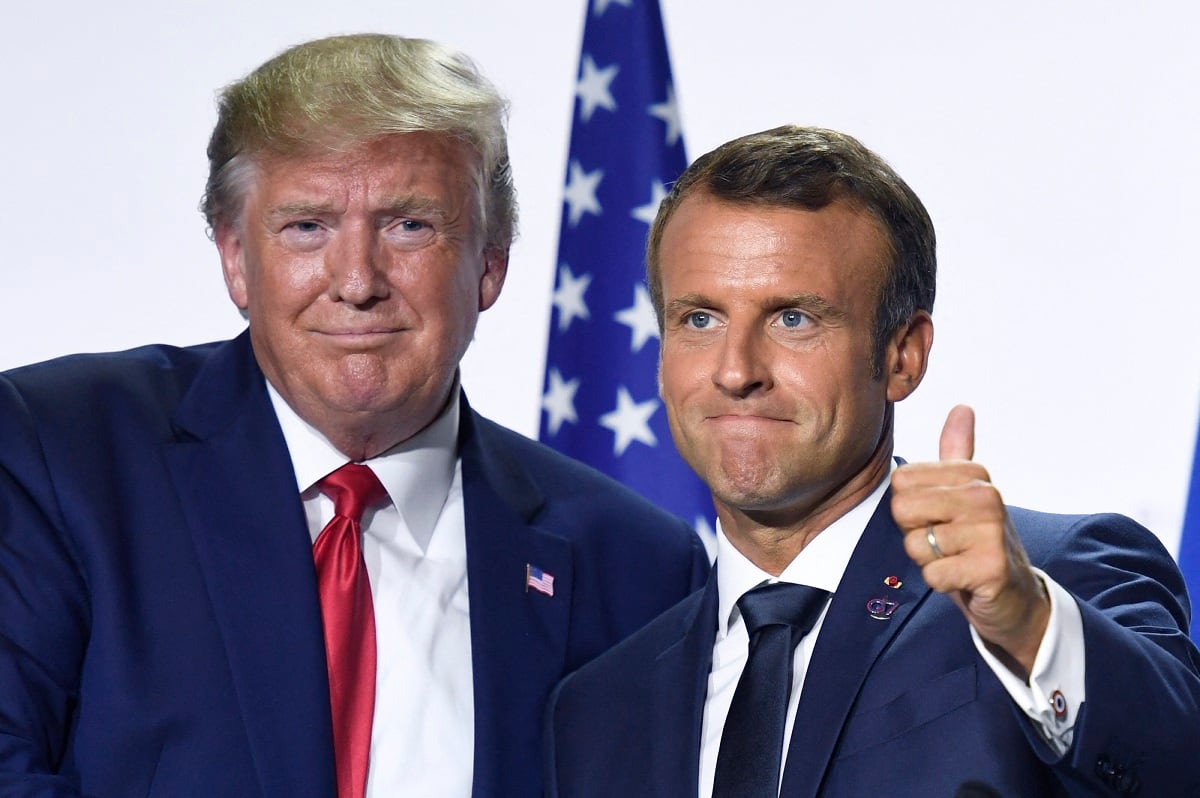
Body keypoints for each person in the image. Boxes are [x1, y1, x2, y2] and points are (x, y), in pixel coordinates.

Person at [0, 34, 709, 798]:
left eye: (410, 225)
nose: (358, 281)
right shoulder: (58, 453)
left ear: (490, 261)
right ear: (236, 259)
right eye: (308, 226)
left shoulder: (636, 568)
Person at [545, 125, 1200, 797]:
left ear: (903, 355)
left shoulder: (1050, 581)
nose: (736, 371)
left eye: (793, 319)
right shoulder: (598, 709)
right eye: (700, 319)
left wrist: (1030, 625)